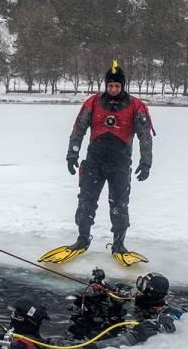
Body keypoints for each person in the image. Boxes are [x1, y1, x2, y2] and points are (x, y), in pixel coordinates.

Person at [40, 60, 154, 266]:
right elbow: (78, 129)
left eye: (117, 86)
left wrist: (146, 163)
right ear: (105, 85)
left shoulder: (136, 106)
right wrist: (72, 154)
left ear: (123, 86)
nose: (113, 89)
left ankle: (119, 244)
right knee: (86, 202)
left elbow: (145, 136)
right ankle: (82, 240)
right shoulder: (92, 103)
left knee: (119, 205)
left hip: (119, 164)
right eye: (110, 85)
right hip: (94, 161)